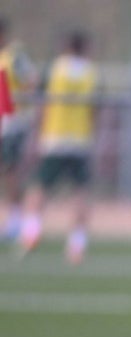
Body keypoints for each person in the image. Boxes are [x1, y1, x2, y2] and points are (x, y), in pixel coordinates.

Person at [18, 30, 98, 264]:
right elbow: (95, 110)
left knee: (39, 187)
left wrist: (36, 135)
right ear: (84, 47)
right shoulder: (91, 72)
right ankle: (76, 245)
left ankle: (31, 233)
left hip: (54, 139)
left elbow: (41, 105)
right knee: (81, 193)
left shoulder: (54, 69)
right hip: (80, 140)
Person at [0, 17, 37, 240]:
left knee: (12, 170)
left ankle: (18, 220)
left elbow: (31, 80)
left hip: (15, 122)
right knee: (8, 171)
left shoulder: (14, 55)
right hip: (5, 123)